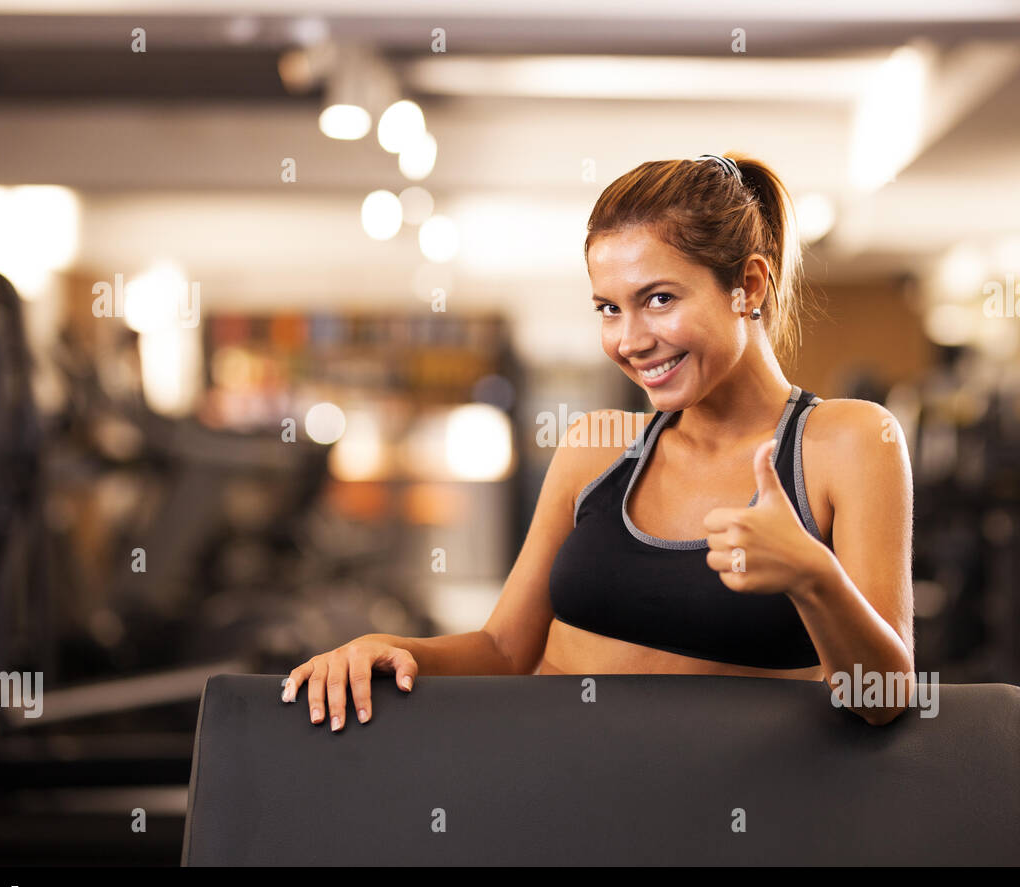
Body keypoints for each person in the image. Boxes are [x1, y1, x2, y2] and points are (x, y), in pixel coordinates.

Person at [282, 152, 914, 728]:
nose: (630, 340)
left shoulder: (850, 442)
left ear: (749, 285)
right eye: (609, 309)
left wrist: (814, 577)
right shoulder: (597, 447)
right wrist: (387, 649)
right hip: (561, 807)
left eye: (659, 299)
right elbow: (505, 649)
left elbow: (884, 702)